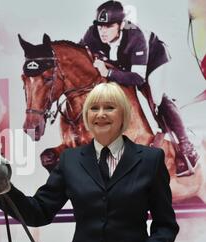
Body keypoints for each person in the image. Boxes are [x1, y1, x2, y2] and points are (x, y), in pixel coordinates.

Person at [0, 82, 179, 242]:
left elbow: (165, 225)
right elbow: (39, 211)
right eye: (94, 108)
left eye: (109, 107)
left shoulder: (150, 160)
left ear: (123, 113)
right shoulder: (70, 160)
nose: (101, 114)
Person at [79, 0, 199, 177]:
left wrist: (109, 74)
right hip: (121, 64)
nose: (103, 31)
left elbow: (137, 78)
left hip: (153, 61)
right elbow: (78, 57)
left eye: (109, 26)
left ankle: (186, 147)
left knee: (157, 98)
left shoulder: (136, 37)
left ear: (120, 25)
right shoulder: (92, 34)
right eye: (100, 26)